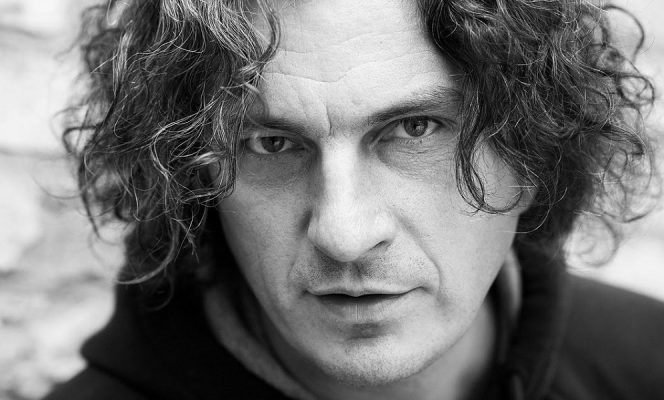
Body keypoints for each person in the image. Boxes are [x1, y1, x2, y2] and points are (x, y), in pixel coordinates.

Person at [44, 0, 664, 399]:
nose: (344, 234)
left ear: (535, 149)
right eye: (271, 143)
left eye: (416, 129)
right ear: (194, 175)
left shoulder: (647, 363)